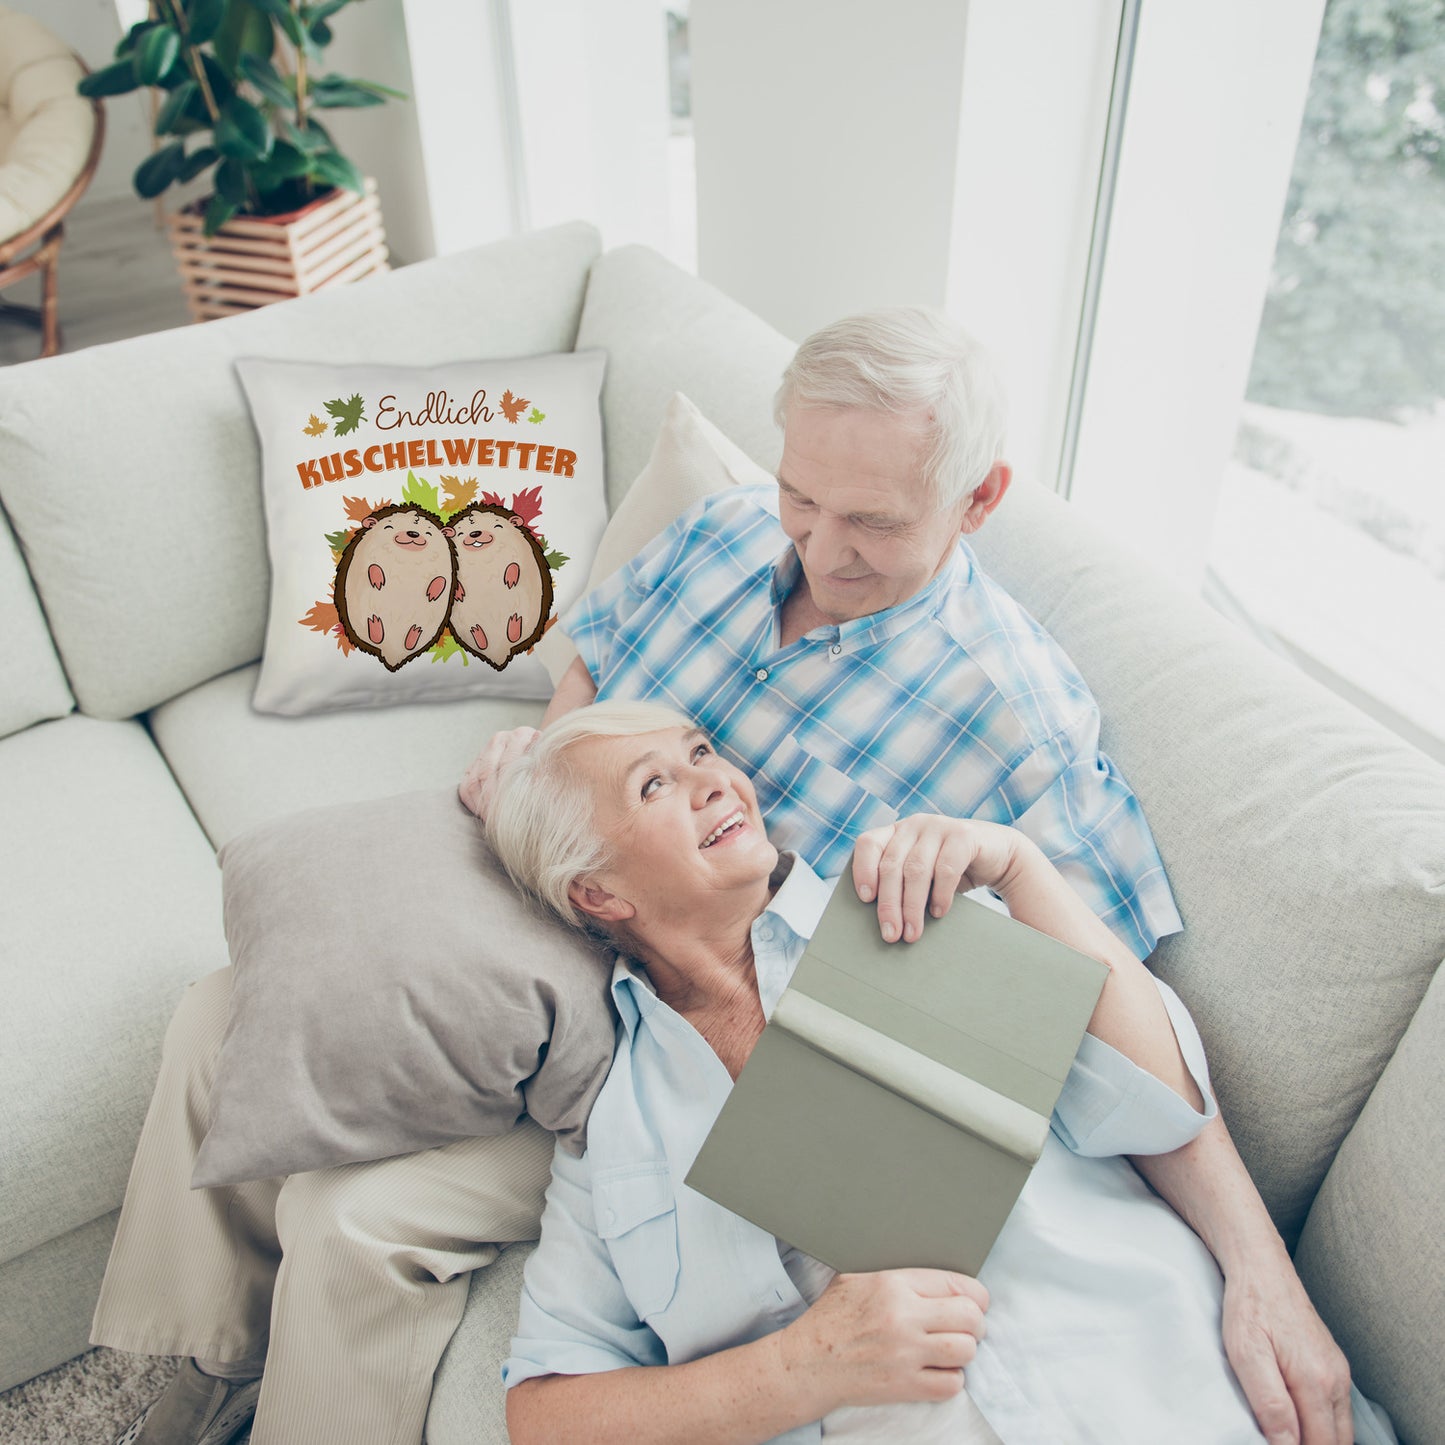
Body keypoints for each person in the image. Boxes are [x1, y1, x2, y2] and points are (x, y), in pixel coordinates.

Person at [94, 309, 1348, 1445]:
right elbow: (592, 668)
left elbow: (1103, 1021)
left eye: (871, 521)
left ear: (976, 501)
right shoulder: (725, 532)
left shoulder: (1016, 724)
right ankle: (192, 1363)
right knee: (229, 1007)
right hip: (580, 887)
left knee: (355, 1218)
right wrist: (545, 766)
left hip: (692, 1013)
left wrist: (1260, 1267)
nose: (818, 545)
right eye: (804, 495)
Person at [486, 701, 1384, 1445]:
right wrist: (803, 1367)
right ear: (597, 893)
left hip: (1173, 1392)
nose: (715, 779)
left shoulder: (908, 907)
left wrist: (1021, 869)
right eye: (655, 784)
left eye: (700, 752)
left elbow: (1158, 1106)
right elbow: (545, 1412)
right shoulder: (615, 1132)